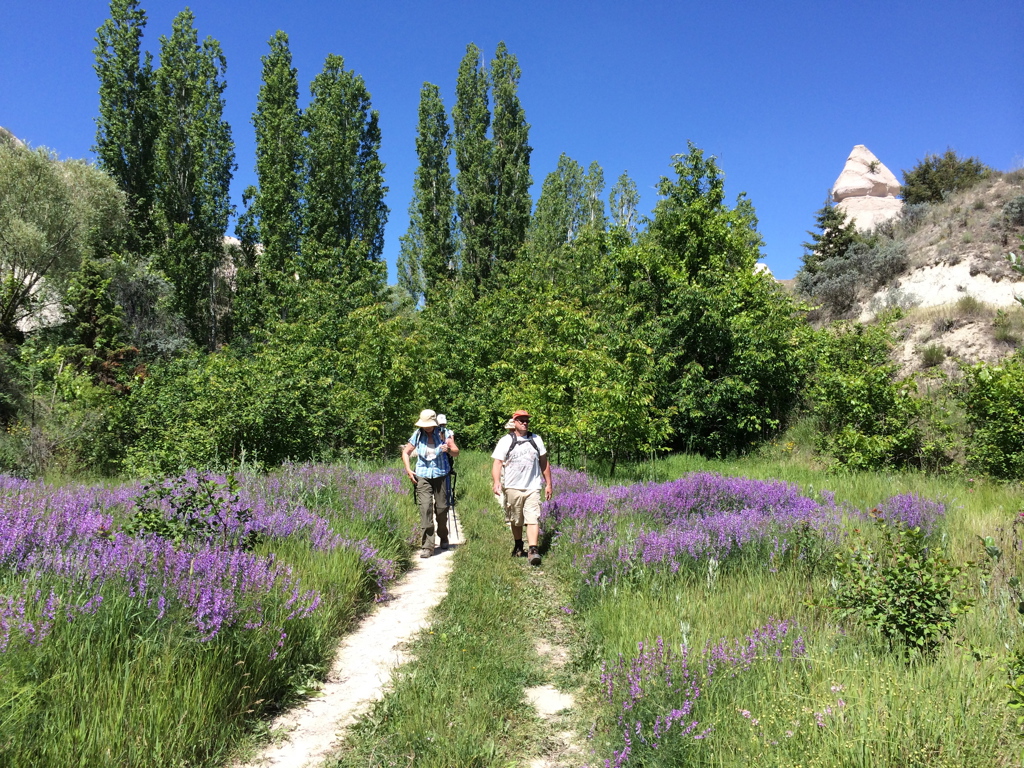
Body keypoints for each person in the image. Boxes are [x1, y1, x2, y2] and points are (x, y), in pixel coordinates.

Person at [491, 410, 552, 565]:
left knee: (533, 517)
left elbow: (543, 462)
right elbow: (497, 462)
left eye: (527, 421)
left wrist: (549, 483)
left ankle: (533, 550)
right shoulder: (506, 441)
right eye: (521, 421)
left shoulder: (536, 439)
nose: (525, 423)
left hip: (533, 486)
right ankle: (518, 544)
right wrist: (496, 481)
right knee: (515, 519)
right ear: (515, 422)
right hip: (512, 486)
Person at [402, 409, 459, 558]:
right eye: (424, 424)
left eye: (428, 424)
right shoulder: (418, 434)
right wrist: (408, 469)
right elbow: (406, 452)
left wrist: (449, 449)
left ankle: (443, 534)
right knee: (425, 508)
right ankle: (427, 546)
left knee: (442, 509)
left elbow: (456, 451)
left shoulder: (443, 433)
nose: (426, 427)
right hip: (423, 476)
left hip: (441, 475)